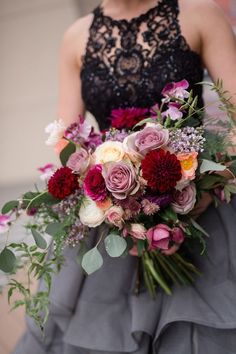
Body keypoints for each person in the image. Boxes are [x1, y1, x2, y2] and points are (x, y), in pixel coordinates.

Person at [13, 0, 236, 353]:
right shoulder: (76, 38)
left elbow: (235, 112)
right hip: (112, 219)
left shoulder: (200, 14)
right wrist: (108, 192)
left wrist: (205, 186)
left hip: (201, 207)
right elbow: (64, 137)